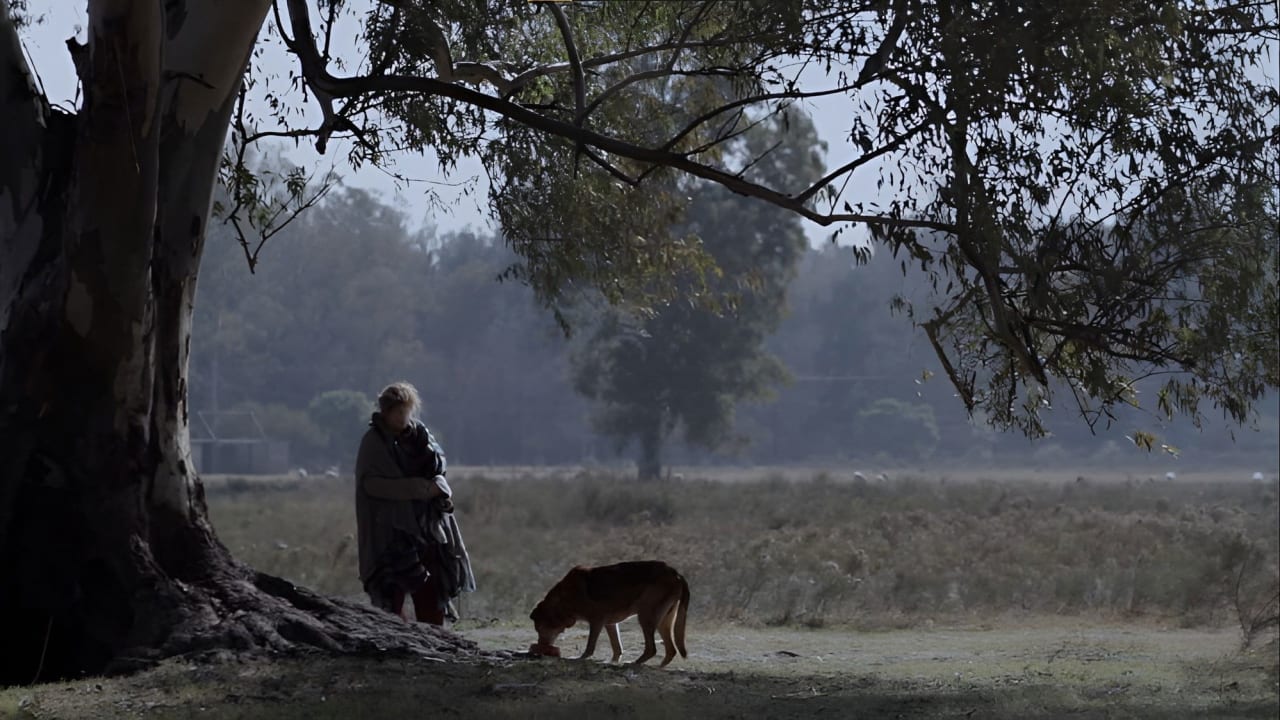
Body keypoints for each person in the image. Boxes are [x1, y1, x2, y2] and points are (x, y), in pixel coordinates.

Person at [355, 382, 475, 625]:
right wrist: (418, 489)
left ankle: (435, 635)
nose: (402, 417)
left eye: (406, 411)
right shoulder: (374, 442)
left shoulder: (421, 436)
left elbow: (438, 467)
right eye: (397, 412)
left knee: (432, 587)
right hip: (391, 530)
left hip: (426, 526)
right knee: (392, 592)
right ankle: (394, 635)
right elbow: (371, 485)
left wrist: (438, 489)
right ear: (386, 412)